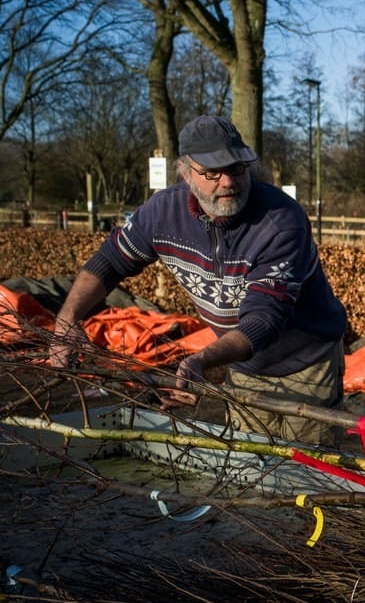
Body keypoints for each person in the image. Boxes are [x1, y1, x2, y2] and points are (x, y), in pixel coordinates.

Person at [49, 115, 349, 443]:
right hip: (244, 367)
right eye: (212, 172)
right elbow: (109, 261)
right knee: (250, 466)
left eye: (236, 169)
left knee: (306, 469)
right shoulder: (162, 213)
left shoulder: (279, 222)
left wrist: (203, 360)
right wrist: (67, 317)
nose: (228, 182)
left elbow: (264, 319)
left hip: (305, 365)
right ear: (186, 173)